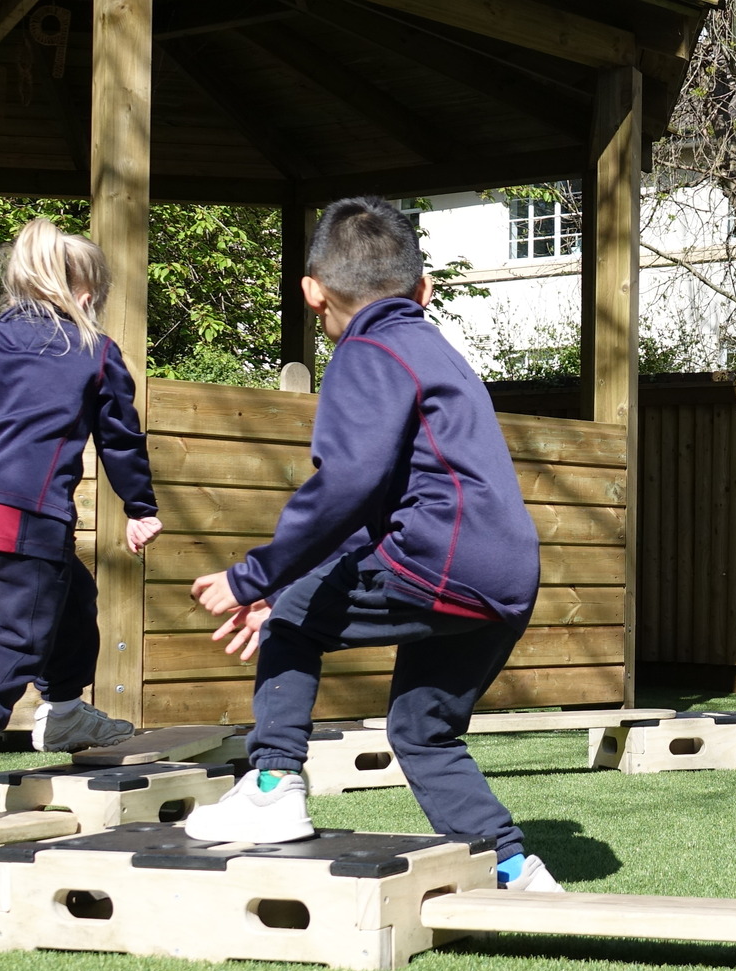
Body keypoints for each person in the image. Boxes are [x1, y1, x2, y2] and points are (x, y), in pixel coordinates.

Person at [181, 196, 559, 893]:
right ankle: (512, 869)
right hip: (505, 576)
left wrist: (256, 578)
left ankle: (271, 783)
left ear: (312, 292)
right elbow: (383, 494)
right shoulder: (433, 348)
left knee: (292, 618)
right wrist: (295, 581)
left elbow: (348, 482)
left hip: (438, 560)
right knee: (422, 730)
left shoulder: (368, 349)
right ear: (425, 289)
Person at [0, 218, 161, 821]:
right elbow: (121, 439)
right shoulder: (94, 351)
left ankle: (63, 710)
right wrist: (140, 506)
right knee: (25, 625)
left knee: (72, 598)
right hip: (32, 506)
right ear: (85, 295)